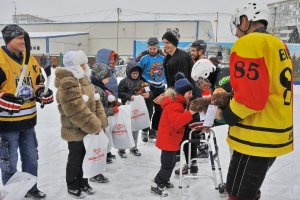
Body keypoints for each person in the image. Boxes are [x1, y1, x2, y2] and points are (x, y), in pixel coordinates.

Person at [216, 1, 293, 199]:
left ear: (244, 21)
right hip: (274, 132)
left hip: (256, 136)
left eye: (236, 26)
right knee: (245, 191)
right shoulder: (278, 44)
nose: (236, 33)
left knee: (237, 194)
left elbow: (250, 99)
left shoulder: (250, 43)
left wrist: (225, 115)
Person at [0, 24, 53, 199]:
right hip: (7, 125)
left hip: (29, 121)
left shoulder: (30, 59)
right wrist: (3, 98)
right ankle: (13, 194)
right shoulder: (0, 59)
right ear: (9, 40)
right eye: (19, 38)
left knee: (31, 159)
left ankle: (31, 188)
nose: (23, 41)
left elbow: (37, 82)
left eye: (24, 38)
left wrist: (41, 92)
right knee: (10, 163)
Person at [55, 50, 108, 198]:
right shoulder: (68, 81)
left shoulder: (84, 78)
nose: (86, 65)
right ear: (75, 65)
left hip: (89, 127)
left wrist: (100, 120)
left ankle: (83, 181)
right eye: (82, 63)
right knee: (76, 157)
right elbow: (75, 108)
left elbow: (95, 100)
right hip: (75, 129)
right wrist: (94, 125)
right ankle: (72, 183)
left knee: (87, 156)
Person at [151, 73, 196, 197]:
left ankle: (164, 180)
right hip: (168, 139)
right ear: (182, 93)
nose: (191, 95)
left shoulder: (179, 103)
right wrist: (190, 113)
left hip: (171, 138)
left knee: (170, 162)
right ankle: (158, 183)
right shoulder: (174, 105)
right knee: (168, 164)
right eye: (189, 93)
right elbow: (176, 123)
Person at [118, 61, 151, 158]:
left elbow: (149, 91)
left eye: (137, 73)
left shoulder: (142, 82)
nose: (135, 75)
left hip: (137, 109)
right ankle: (122, 148)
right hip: (126, 109)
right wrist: (129, 96)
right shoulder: (123, 82)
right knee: (125, 129)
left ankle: (133, 147)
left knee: (135, 128)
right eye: (133, 73)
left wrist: (149, 94)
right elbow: (119, 93)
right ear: (129, 72)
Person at [138, 37, 166, 142]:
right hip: (148, 87)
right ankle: (145, 130)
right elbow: (138, 73)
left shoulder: (163, 57)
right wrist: (144, 86)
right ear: (148, 48)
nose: (152, 50)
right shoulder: (143, 58)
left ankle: (154, 130)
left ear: (158, 47)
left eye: (154, 48)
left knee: (159, 110)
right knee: (148, 110)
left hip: (160, 87)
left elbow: (166, 70)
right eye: (150, 48)